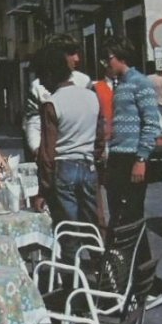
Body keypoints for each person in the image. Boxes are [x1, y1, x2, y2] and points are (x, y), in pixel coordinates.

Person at [104, 40, 162, 306]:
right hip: (118, 159)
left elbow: (152, 124)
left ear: (120, 57)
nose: (106, 64)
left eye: (109, 58)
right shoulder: (120, 85)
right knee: (121, 223)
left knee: (132, 223)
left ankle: (151, 287)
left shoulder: (141, 83)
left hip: (132, 159)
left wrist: (141, 159)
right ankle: (129, 283)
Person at [32, 45, 104, 227]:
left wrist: (43, 190)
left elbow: (47, 152)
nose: (41, 84)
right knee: (91, 226)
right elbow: (100, 138)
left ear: (50, 75)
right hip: (88, 166)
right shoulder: (92, 97)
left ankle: (71, 247)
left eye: (42, 78)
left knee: (68, 228)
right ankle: (96, 246)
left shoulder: (51, 104)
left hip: (64, 168)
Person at [24, 37, 92, 159]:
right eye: (71, 54)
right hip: (52, 154)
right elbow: (34, 122)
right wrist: (37, 149)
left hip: (82, 154)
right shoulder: (38, 87)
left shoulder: (84, 82)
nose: (77, 59)